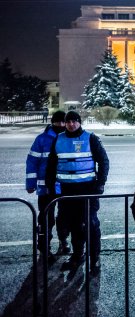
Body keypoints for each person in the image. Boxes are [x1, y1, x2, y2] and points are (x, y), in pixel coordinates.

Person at [46, 110, 109, 275]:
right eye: (68, 122)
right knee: (74, 225)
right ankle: (77, 255)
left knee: (91, 224)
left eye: (75, 121)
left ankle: (95, 258)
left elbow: (103, 160)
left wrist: (100, 183)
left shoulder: (90, 138)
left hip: (87, 189)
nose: (71, 124)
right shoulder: (58, 139)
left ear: (80, 122)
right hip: (67, 191)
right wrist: (50, 185)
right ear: (65, 123)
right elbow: (51, 164)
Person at [26, 110, 70, 265]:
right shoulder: (42, 139)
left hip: (65, 185)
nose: (61, 125)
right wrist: (30, 184)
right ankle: (44, 247)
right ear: (52, 123)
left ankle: (63, 241)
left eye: (63, 122)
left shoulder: (68, 138)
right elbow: (32, 161)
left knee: (64, 217)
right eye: (58, 122)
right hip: (46, 188)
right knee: (46, 218)